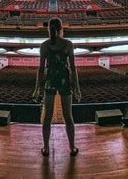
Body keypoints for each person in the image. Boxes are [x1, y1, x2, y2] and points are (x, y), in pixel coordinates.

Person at [33, 17, 81, 157]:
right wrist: (77, 87)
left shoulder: (44, 45)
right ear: (61, 29)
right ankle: (72, 147)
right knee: (68, 116)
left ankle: (46, 148)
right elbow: (73, 68)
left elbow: (41, 69)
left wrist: (37, 88)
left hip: (50, 80)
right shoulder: (68, 44)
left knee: (47, 117)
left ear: (48, 29)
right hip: (64, 81)